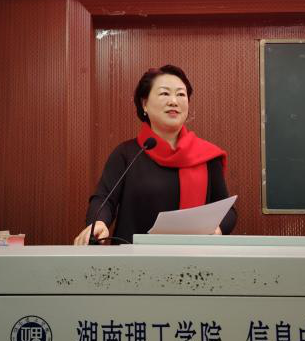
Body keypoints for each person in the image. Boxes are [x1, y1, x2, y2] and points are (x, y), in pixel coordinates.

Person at [74, 65, 236, 245]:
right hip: (132, 258)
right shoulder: (127, 154)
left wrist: (217, 229)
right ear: (145, 104)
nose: (173, 101)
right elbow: (104, 200)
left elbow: (228, 211)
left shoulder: (206, 156)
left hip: (193, 257)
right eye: (165, 93)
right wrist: (98, 223)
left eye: (181, 94)